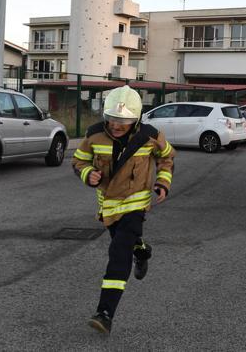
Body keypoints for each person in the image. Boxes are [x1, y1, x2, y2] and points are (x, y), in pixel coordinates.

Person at [72, 85, 175, 334]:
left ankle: (105, 312)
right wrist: (88, 173)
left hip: (136, 205)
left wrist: (162, 182)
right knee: (126, 243)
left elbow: (167, 157)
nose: (117, 125)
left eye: (124, 121)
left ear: (136, 119)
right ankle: (141, 251)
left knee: (118, 252)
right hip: (108, 207)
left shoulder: (150, 135)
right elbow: (79, 159)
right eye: (112, 119)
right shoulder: (94, 135)